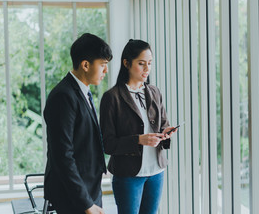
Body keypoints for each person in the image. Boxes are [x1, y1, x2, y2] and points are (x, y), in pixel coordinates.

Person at [100, 39, 177, 214]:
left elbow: (163, 124)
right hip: (128, 175)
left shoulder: (154, 92)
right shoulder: (112, 98)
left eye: (149, 63)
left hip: (156, 171)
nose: (147, 69)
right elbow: (108, 144)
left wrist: (166, 132)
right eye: (141, 64)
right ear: (126, 63)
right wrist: (138, 140)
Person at [43, 33, 112, 214]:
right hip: (73, 195)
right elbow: (63, 156)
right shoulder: (63, 96)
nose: (106, 71)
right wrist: (86, 203)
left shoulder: (83, 92)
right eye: (103, 65)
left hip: (88, 188)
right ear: (86, 65)